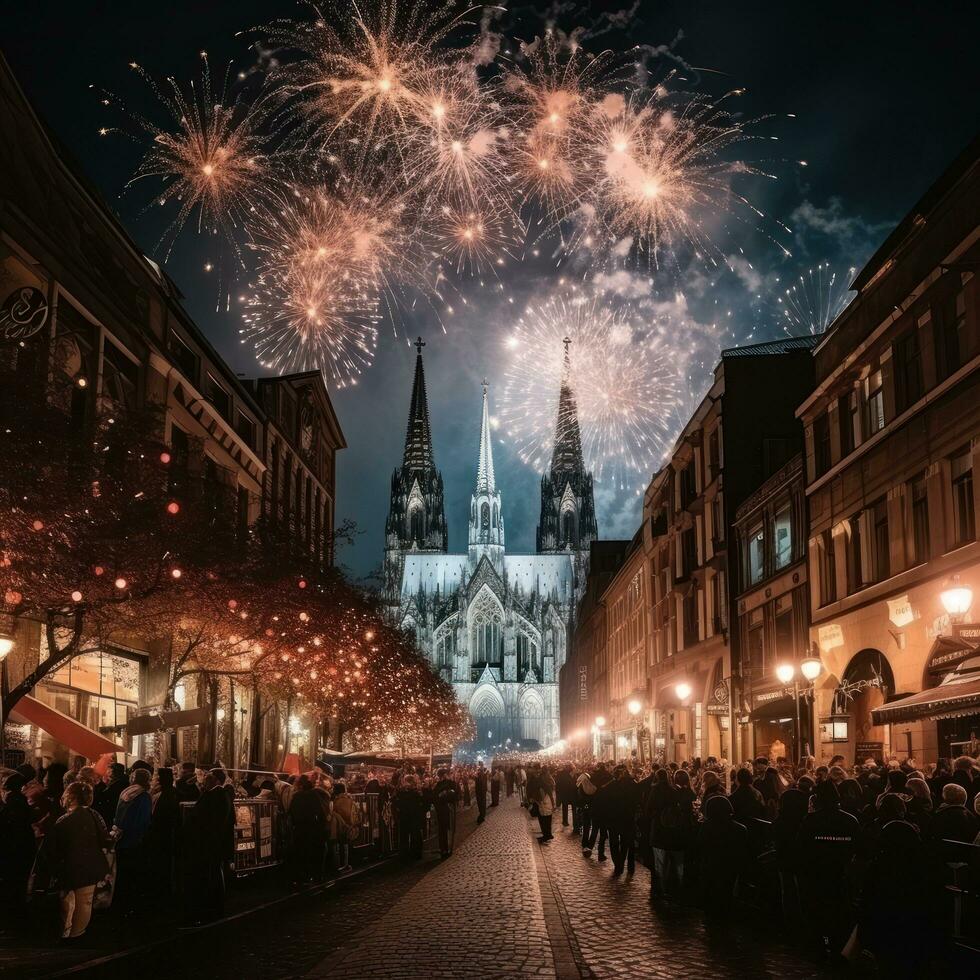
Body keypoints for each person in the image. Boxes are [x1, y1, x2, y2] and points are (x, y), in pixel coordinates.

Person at [797, 781, 859, 962]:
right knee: (839, 909)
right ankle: (838, 943)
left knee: (818, 910)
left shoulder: (811, 820)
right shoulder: (849, 820)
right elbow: (857, 846)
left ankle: (820, 944)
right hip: (840, 872)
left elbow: (802, 846)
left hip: (817, 873)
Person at [50, 782, 110, 942]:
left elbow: (55, 846)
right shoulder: (95, 815)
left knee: (68, 902)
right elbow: (105, 839)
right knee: (85, 902)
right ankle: (78, 933)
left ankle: (67, 934)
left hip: (70, 867)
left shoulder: (64, 820)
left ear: (70, 797)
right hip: (91, 865)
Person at [184, 768, 234, 925]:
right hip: (212, 842)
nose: (204, 780)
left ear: (217, 781)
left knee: (210, 875)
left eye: (208, 778)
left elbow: (207, 818)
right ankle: (213, 908)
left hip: (210, 842)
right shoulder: (217, 794)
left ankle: (210, 909)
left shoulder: (217, 795)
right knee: (213, 874)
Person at [696, 796, 749, 916]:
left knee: (711, 888)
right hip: (730, 865)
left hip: (711, 864)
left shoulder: (706, 826)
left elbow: (700, 844)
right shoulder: (740, 829)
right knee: (727, 888)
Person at [112, 768, 152, 915]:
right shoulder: (144, 796)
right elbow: (143, 820)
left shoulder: (125, 793)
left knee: (121, 872)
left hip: (121, 836)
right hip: (134, 839)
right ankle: (130, 904)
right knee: (132, 873)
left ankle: (118, 902)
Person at [0, 773, 37, 914]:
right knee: (20, 882)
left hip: (12, 851)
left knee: (10, 883)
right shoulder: (22, 804)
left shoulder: (10, 805)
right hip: (24, 849)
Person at [147, 767, 180, 896]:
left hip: (162, 835)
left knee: (162, 865)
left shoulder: (167, 795)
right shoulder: (171, 792)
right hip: (166, 835)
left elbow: (158, 815)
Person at [289, 774, 326, 882]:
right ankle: (316, 876)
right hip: (313, 828)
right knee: (315, 853)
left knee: (301, 853)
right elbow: (320, 812)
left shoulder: (296, 796)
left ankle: (303, 876)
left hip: (300, 829)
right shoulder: (315, 795)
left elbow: (291, 812)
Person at [605, 766, 639, 877]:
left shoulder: (611, 786)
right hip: (627, 818)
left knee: (614, 843)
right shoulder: (634, 785)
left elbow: (606, 802)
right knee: (625, 843)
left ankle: (618, 865)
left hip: (613, 818)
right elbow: (637, 802)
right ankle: (620, 863)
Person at [394, 774, 426, 860]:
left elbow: (422, 803)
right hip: (406, 817)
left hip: (412, 817)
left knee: (414, 835)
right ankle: (406, 854)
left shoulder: (415, 793)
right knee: (406, 836)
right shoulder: (402, 792)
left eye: (405, 781)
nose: (404, 783)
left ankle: (414, 853)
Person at [433, 768, 458, 858]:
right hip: (442, 809)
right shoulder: (438, 785)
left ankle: (446, 848)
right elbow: (435, 797)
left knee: (447, 829)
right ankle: (444, 848)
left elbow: (455, 795)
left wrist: (445, 794)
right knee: (443, 829)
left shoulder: (450, 783)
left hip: (448, 809)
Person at [330, 782, 354, 873]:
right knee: (346, 844)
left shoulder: (337, 801)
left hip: (340, 825)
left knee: (340, 844)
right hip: (349, 824)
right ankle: (347, 864)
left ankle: (342, 864)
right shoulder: (349, 799)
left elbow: (334, 813)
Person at [535, 769, 556, 842]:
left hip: (544, 800)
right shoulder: (550, 779)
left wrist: (540, 801)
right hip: (549, 800)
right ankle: (548, 834)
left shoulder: (542, 780)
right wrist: (553, 804)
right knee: (548, 818)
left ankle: (546, 835)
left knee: (544, 819)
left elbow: (542, 792)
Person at [555, 765, 577, 829]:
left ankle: (565, 821)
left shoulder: (563, 775)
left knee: (565, 808)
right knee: (572, 809)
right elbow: (573, 785)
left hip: (565, 795)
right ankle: (573, 823)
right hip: (570, 795)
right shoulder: (570, 776)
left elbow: (558, 785)